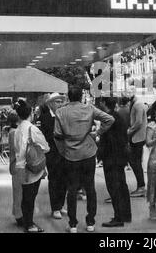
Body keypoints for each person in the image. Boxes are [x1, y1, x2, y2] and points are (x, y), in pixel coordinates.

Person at [54, 86, 115, 233]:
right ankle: (90, 222)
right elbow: (110, 119)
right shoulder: (89, 109)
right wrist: (97, 133)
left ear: (68, 97)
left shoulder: (60, 112)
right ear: (81, 97)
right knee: (90, 188)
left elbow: (57, 135)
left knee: (72, 189)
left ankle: (73, 224)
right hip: (88, 153)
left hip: (70, 155)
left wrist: (63, 150)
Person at [14, 100, 50, 233]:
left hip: (20, 166)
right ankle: (29, 224)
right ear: (31, 114)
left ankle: (26, 221)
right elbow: (46, 147)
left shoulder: (17, 129)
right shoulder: (32, 129)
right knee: (31, 197)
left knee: (25, 196)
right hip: (32, 167)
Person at [97, 97, 132, 227]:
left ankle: (118, 217)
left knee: (114, 187)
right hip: (119, 157)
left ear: (104, 103)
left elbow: (108, 140)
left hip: (112, 158)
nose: (99, 104)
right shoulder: (116, 116)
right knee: (121, 186)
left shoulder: (109, 118)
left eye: (101, 102)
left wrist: (100, 152)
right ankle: (125, 215)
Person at [38, 92, 67, 220]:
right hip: (52, 153)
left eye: (61, 101)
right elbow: (43, 136)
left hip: (65, 153)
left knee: (64, 180)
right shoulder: (44, 117)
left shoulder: (64, 116)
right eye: (57, 102)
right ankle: (55, 207)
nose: (60, 104)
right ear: (50, 104)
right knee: (54, 180)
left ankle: (60, 205)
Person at [127, 94, 148, 197]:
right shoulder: (136, 103)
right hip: (137, 137)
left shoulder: (138, 104)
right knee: (135, 162)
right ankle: (141, 186)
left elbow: (138, 122)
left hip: (137, 138)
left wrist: (129, 131)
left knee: (135, 162)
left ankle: (141, 187)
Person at [7, 111, 22, 227]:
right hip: (17, 164)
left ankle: (19, 213)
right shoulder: (15, 133)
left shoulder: (12, 132)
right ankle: (19, 215)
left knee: (18, 191)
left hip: (15, 164)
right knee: (19, 192)